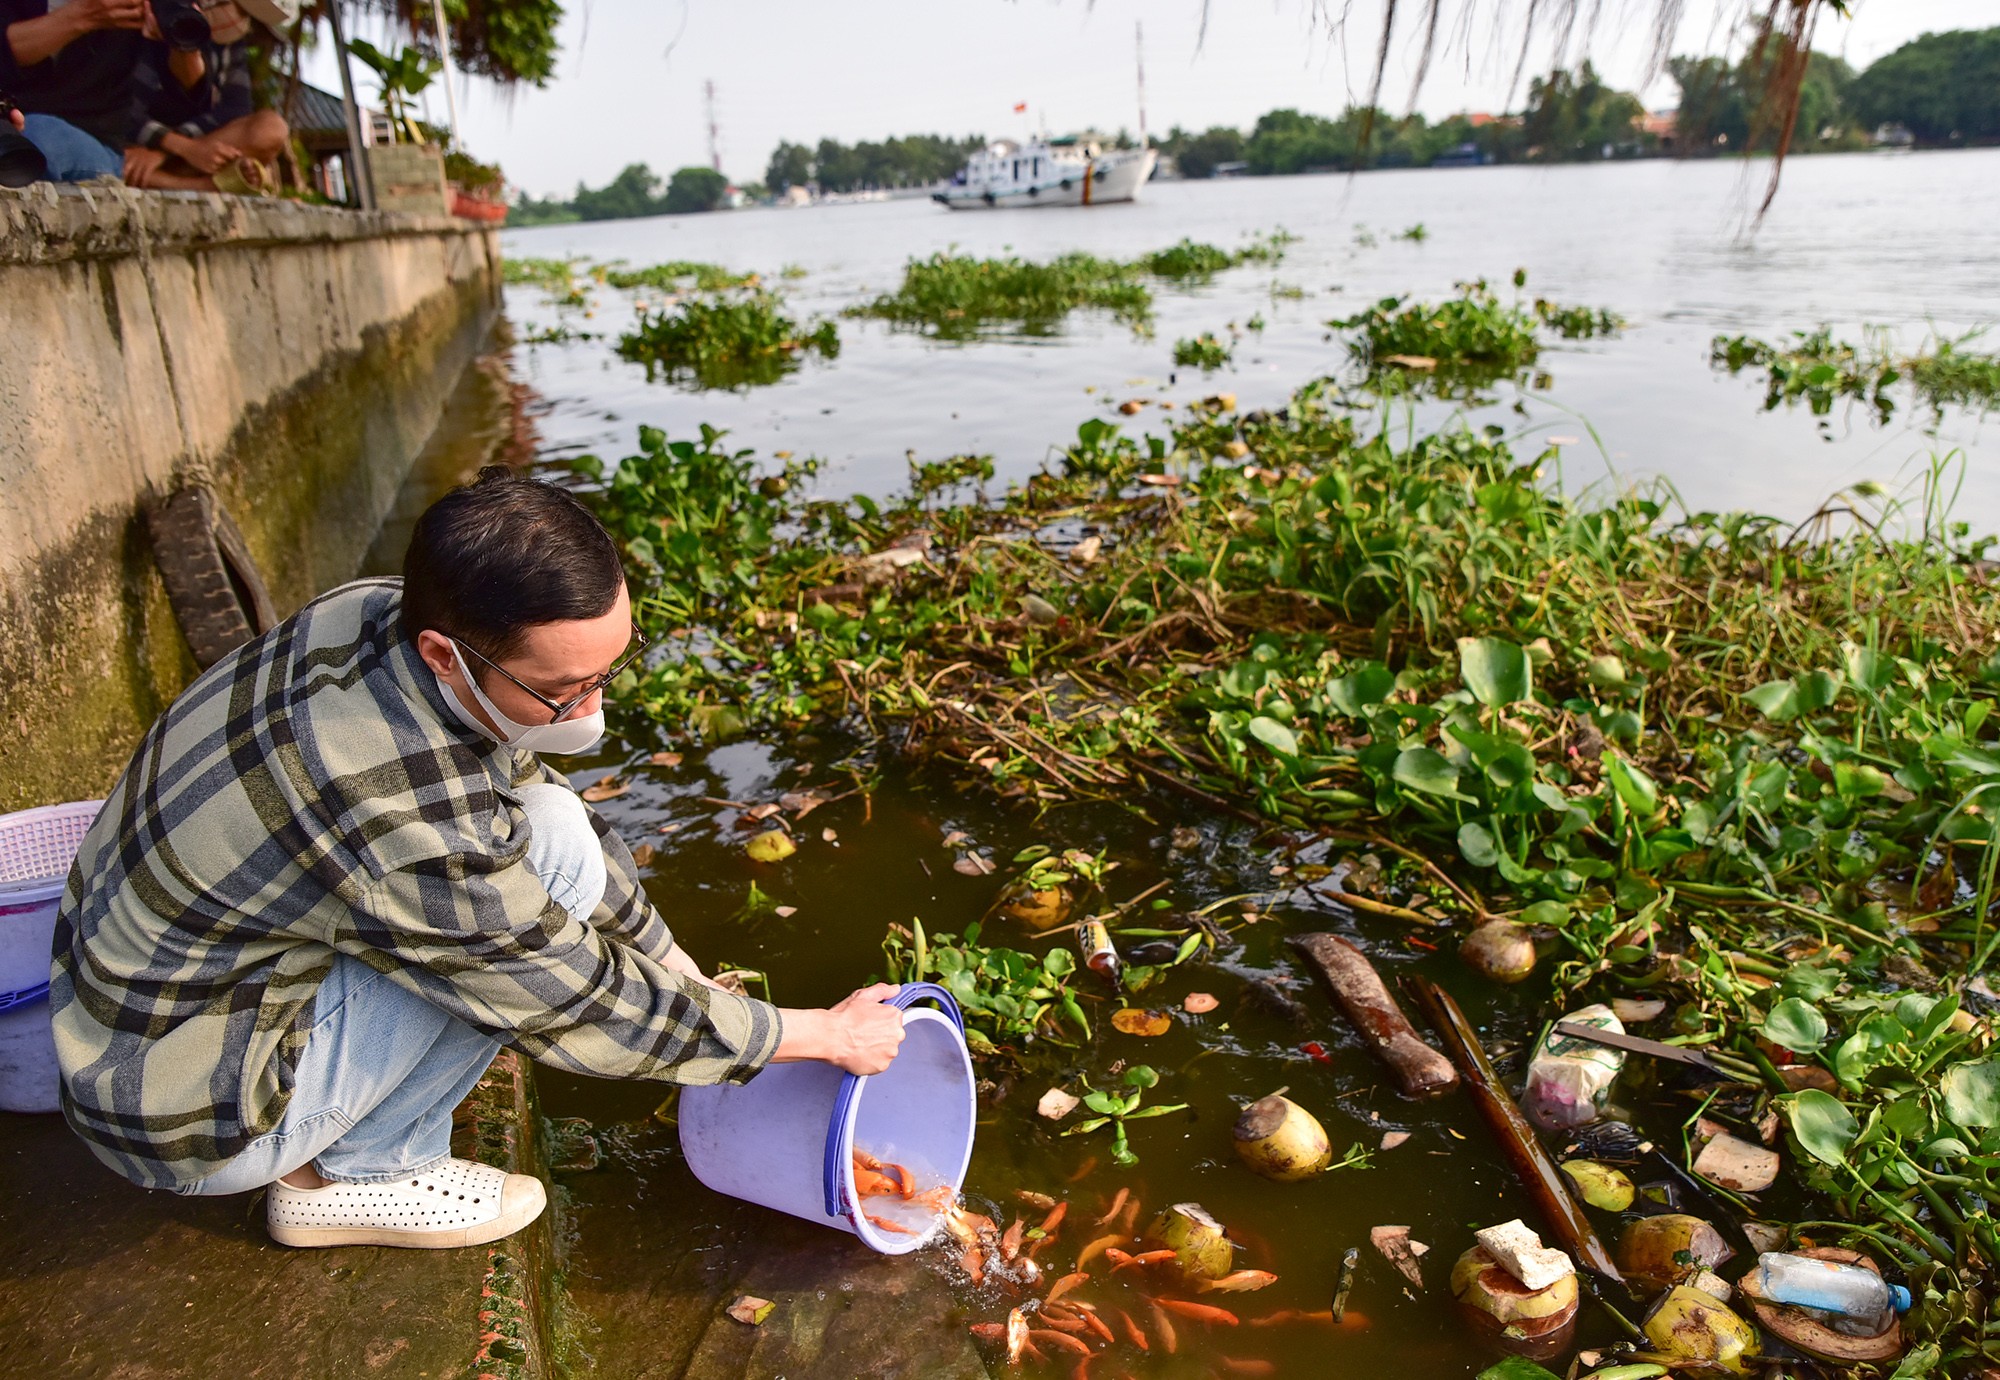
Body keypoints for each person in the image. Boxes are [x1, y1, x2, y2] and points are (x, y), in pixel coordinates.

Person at [51, 468, 907, 1250]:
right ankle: (363, 1177)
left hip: (122, 1013)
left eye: (609, 669)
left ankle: (357, 1149)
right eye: (563, 689)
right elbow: (572, 1002)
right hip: (187, 1116)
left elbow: (523, 793)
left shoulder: (376, 610)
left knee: (553, 823)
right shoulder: (396, 816)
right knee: (514, 942)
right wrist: (820, 1036)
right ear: (446, 656)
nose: (592, 705)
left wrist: (685, 974)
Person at [124, 0, 287, 194]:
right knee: (101, 158)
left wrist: (171, 152)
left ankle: (176, 177)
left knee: (271, 128)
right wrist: (179, 146)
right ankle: (199, 186)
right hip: (132, 143)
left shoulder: (229, 42)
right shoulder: (145, 18)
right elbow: (118, 110)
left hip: (191, 151)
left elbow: (235, 110)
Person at [0, 0, 144, 181]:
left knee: (36, 139)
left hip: (91, 138)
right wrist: (82, 16)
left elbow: (184, 94)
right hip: (11, 125)